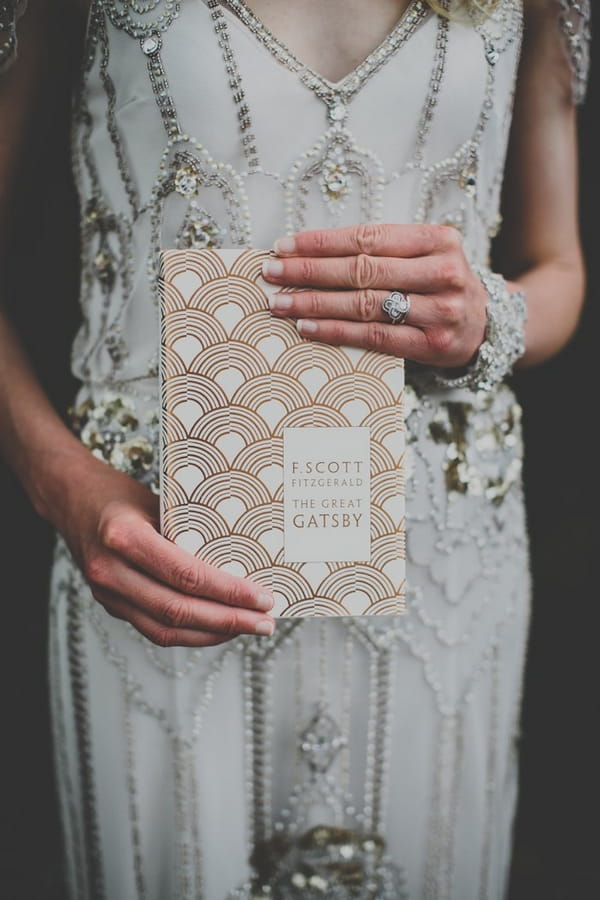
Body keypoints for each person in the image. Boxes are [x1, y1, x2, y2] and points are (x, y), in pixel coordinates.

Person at [0, 0, 590, 897]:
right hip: (159, 555)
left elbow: (561, 269)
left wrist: (487, 317)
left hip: (442, 574)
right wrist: (62, 483)